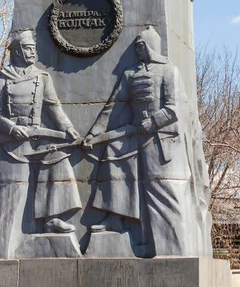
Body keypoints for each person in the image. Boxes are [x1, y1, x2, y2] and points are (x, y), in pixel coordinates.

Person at [83, 26, 194, 257]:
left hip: (159, 140)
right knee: (113, 156)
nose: (137, 50)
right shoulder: (130, 74)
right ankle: (116, 219)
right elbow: (113, 106)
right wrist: (94, 133)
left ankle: (172, 249)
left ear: (150, 45)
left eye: (140, 45)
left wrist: (152, 122)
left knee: (161, 191)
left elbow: (174, 109)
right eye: (135, 46)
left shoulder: (169, 71)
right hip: (133, 136)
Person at [0, 30, 82, 259]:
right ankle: (4, 246)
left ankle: (51, 218)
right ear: (17, 51)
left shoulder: (41, 77)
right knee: (11, 191)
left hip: (38, 138)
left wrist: (68, 129)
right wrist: (11, 128)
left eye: (34, 49)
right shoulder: (2, 78)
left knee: (58, 161)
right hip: (12, 142)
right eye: (28, 49)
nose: (33, 53)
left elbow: (54, 108)